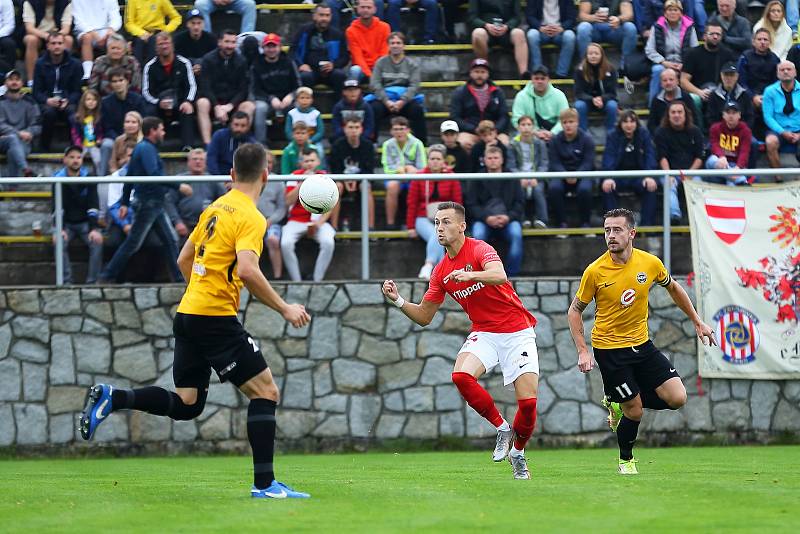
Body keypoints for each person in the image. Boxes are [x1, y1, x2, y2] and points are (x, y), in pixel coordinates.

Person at [81, 142, 312, 499]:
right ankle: (265, 486)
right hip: (213, 318)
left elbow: (184, 259)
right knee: (266, 392)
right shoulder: (251, 216)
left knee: (188, 404)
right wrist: (284, 307)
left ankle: (113, 397)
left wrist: (204, 290)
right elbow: (249, 270)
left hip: (189, 313)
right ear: (266, 175)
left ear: (231, 175)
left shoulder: (214, 208)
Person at [381, 201, 539, 479]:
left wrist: (470, 274)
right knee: (461, 376)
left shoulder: (480, 249)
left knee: (527, 404)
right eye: (436, 223)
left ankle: (518, 452)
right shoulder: (440, 272)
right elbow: (424, 316)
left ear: (462, 226)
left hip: (517, 331)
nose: (440, 228)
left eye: (446, 222)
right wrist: (398, 300)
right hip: (485, 332)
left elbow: (499, 274)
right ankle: (502, 428)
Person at [568, 207, 715, 475]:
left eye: (617, 230)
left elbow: (673, 287)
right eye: (607, 230)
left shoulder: (650, 263)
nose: (611, 236)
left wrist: (697, 320)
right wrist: (583, 351)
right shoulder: (595, 271)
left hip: (642, 345)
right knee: (635, 412)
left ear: (632, 233)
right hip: (610, 350)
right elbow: (575, 310)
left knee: (677, 398)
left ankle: (616, 399)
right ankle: (626, 460)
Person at [98, 117, 184, 283]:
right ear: (153, 131)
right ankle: (107, 275)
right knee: (133, 244)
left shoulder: (141, 148)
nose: (163, 133)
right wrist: (178, 186)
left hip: (153, 203)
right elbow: (154, 174)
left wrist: (124, 202)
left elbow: (129, 177)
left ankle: (179, 278)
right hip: (148, 203)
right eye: (161, 129)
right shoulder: (146, 149)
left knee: (170, 240)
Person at [465, 146, 524, 275]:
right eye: (490, 158)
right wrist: (486, 218)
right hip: (483, 220)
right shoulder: (476, 178)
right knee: (478, 236)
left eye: (496, 158)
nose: (493, 161)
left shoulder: (512, 178)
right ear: (484, 160)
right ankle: (483, 273)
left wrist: (508, 217)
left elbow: (519, 203)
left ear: (502, 160)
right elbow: (471, 204)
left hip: (509, 219)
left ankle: (510, 275)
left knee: (516, 234)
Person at [407, 144, 463, 279]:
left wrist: (459, 223)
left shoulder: (451, 176)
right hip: (423, 217)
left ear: (444, 160)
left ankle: (430, 266)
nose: (435, 162)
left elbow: (457, 202)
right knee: (437, 233)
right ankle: (440, 268)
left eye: (438, 159)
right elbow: (412, 202)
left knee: (440, 232)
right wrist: (410, 227)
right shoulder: (419, 176)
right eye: (432, 158)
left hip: (446, 218)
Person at [281, 149, 337, 282]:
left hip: (318, 220)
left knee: (328, 242)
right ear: (301, 163)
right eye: (306, 161)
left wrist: (320, 222)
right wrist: (302, 184)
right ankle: (297, 281)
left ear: (318, 162)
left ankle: (317, 280)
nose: (309, 164)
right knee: (285, 243)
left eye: (312, 160)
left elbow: (331, 203)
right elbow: (288, 201)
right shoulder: (294, 176)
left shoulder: (324, 177)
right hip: (296, 220)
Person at [196, 29, 254, 145]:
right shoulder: (208, 60)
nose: (230, 46)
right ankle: (208, 144)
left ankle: (241, 142)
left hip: (232, 102)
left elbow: (243, 89)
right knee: (202, 103)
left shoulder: (241, 61)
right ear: (219, 42)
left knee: (249, 106)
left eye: (233, 42)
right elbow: (205, 86)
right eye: (227, 42)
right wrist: (216, 106)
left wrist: (230, 106)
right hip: (213, 101)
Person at [54, 145, 102, 284]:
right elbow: (56, 207)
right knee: (59, 242)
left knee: (97, 242)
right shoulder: (57, 179)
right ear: (65, 160)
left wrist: (94, 228)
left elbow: (93, 205)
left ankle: (92, 283)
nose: (76, 160)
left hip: (85, 223)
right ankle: (66, 282)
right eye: (72, 157)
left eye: (79, 157)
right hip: (67, 223)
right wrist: (59, 228)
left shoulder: (89, 177)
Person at [601, 109, 658, 225]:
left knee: (651, 185)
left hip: (639, 176)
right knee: (607, 186)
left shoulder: (644, 134)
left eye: (632, 121)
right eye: (625, 122)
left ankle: (647, 226)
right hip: (618, 176)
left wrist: (649, 176)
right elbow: (608, 157)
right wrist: (608, 177)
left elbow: (650, 156)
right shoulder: (613, 135)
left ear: (636, 123)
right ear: (620, 124)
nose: (629, 125)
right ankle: (613, 225)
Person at [142, 32, 198, 150]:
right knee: (150, 111)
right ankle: (152, 145)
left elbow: (192, 86)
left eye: (167, 43)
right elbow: (146, 92)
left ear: (172, 45)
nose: (164, 46)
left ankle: (188, 146)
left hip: (180, 102)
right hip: (159, 104)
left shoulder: (184, 63)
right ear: (156, 48)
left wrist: (188, 101)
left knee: (188, 110)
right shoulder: (149, 66)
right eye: (161, 44)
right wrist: (158, 102)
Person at [369, 31, 427, 145]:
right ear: (388, 45)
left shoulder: (412, 64)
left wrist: (402, 101)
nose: (395, 45)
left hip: (404, 100)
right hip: (385, 99)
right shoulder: (380, 63)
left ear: (403, 45)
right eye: (392, 43)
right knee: (373, 108)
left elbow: (414, 86)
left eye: (398, 43)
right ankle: (372, 142)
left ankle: (422, 143)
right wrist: (386, 101)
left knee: (417, 110)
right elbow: (375, 84)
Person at [654, 100, 704, 221]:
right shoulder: (661, 132)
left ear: (685, 115)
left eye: (680, 112)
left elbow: (699, 157)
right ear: (668, 115)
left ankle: (700, 219)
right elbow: (662, 157)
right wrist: (669, 175)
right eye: (673, 112)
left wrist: (690, 173)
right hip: (669, 171)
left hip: (691, 171)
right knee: (669, 185)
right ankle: (675, 217)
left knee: (698, 185)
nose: (676, 115)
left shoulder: (695, 131)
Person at [33, 31, 82, 151]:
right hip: (48, 101)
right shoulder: (40, 64)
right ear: (48, 46)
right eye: (53, 43)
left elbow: (77, 91)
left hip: (67, 101)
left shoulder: (75, 64)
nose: (57, 46)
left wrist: (68, 100)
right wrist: (47, 100)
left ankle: (75, 148)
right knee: (49, 113)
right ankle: (44, 148)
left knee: (72, 115)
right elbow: (36, 91)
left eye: (60, 43)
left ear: (65, 45)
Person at [548, 107, 595, 229]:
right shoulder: (555, 140)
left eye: (571, 122)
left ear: (577, 122)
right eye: (565, 122)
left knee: (585, 189)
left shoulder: (587, 139)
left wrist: (577, 174)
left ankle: (585, 223)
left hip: (583, 175)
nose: (568, 125)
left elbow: (588, 162)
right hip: (561, 175)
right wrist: (565, 174)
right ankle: (561, 223)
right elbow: (554, 162)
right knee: (554, 188)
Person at [643, 0, 698, 106]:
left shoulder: (690, 27)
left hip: (683, 64)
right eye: (669, 10)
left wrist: (685, 64)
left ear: (681, 13)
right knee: (657, 70)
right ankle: (653, 106)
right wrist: (664, 62)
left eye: (675, 10)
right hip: (664, 63)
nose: (672, 13)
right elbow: (649, 50)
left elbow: (694, 50)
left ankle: (686, 107)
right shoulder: (657, 27)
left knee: (690, 73)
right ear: (665, 13)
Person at [449, 58, 510, 152]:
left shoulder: (498, 92)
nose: (479, 75)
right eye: (476, 71)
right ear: (470, 73)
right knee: (462, 142)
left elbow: (504, 116)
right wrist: (473, 129)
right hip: (471, 132)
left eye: (483, 72)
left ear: (488, 74)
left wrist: (495, 130)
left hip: (494, 132)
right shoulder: (460, 92)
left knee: (504, 142)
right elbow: (455, 117)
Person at [291, 2, 352, 96]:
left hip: (330, 71)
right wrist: (301, 65)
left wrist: (334, 65)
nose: (324, 18)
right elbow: (292, 52)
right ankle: (306, 108)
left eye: (327, 15)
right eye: (321, 15)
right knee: (304, 77)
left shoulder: (337, 34)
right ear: (314, 16)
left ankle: (338, 108)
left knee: (340, 75)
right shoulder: (304, 31)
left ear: (331, 16)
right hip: (310, 70)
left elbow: (345, 57)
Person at [252, 33, 301, 145]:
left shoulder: (289, 62)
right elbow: (255, 90)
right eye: (268, 46)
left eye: (274, 46)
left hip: (288, 99)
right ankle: (260, 143)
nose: (271, 49)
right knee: (260, 108)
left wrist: (291, 96)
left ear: (280, 47)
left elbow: (298, 84)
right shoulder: (256, 65)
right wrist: (271, 98)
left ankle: (297, 142)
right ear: (263, 48)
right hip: (266, 100)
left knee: (300, 106)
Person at [328, 117, 376, 231]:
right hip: (341, 179)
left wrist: (356, 180)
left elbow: (369, 170)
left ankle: (370, 227)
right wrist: (345, 181)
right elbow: (334, 169)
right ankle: (333, 227)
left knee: (366, 186)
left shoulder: (368, 146)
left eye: (356, 127)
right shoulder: (337, 145)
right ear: (344, 129)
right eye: (350, 127)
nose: (353, 130)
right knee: (337, 187)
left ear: (361, 129)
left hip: (361, 180)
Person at [167, 148, 226, 240]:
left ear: (205, 162)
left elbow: (224, 202)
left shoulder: (214, 180)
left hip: (208, 225)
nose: (198, 162)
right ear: (188, 162)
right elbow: (169, 203)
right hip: (185, 225)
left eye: (201, 159)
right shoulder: (179, 180)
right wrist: (177, 222)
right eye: (194, 159)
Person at [99, 69, 148, 176]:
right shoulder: (106, 102)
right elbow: (107, 127)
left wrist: (131, 137)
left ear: (127, 81)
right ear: (110, 84)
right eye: (114, 81)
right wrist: (120, 140)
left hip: (136, 136)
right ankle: (101, 178)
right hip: (114, 138)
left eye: (121, 80)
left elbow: (143, 122)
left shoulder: (138, 100)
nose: (118, 84)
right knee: (106, 145)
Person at [680, 23, 736, 115]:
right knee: (694, 100)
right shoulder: (692, 54)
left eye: (718, 34)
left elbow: (732, 79)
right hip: (697, 92)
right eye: (712, 34)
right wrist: (699, 92)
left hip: (720, 93)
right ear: (704, 36)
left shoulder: (727, 54)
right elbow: (683, 81)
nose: (715, 37)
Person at [381, 115, 426, 229]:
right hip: (395, 176)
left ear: (408, 130)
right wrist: (398, 171)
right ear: (391, 131)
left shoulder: (417, 143)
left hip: (413, 176)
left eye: (402, 129)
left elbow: (422, 168)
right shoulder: (387, 145)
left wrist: (410, 170)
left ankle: (412, 223)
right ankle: (390, 224)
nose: (399, 132)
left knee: (416, 186)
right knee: (392, 185)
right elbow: (387, 168)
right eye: (396, 129)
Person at [506, 115, 549, 229]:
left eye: (529, 125)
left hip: (536, 176)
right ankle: (523, 220)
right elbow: (511, 165)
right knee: (520, 191)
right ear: (518, 127)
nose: (526, 128)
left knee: (538, 190)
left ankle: (542, 220)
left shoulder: (540, 143)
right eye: (523, 125)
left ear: (533, 127)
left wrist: (537, 177)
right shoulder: (512, 145)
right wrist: (520, 178)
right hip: (520, 177)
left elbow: (544, 163)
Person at [469, 0, 528, 78]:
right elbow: (472, 18)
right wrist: (485, 25)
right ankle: (484, 70)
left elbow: (517, 17)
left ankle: (524, 74)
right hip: (486, 30)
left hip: (507, 31)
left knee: (519, 33)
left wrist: (507, 26)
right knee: (477, 33)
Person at [22, 0, 73, 88]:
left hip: (57, 34)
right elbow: (29, 28)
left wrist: (56, 36)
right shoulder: (30, 3)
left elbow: (66, 28)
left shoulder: (65, 3)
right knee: (31, 40)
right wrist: (47, 36)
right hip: (37, 34)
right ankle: (32, 81)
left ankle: (64, 78)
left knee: (68, 40)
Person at [511, 66, 569, 142]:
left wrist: (552, 133)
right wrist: (535, 133)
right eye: (536, 78)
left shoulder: (559, 95)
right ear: (531, 79)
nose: (539, 81)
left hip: (555, 135)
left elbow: (565, 118)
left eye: (542, 78)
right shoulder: (521, 96)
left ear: (548, 79)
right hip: (529, 133)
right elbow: (516, 120)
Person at [738, 28, 781, 130]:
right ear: (753, 42)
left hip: (770, 96)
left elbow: (777, 82)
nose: (762, 42)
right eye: (759, 39)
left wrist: (767, 97)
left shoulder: (775, 59)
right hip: (748, 96)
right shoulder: (745, 57)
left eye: (765, 40)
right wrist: (753, 97)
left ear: (770, 42)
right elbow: (741, 82)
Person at [575, 0, 638, 70]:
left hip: (615, 30)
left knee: (630, 27)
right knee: (583, 27)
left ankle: (626, 66)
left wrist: (619, 19)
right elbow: (582, 15)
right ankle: (586, 65)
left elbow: (629, 14)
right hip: (594, 30)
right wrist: (593, 17)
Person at [0, 69, 39, 178]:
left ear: (22, 83)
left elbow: (37, 125)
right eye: (11, 79)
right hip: (3, 140)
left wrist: (28, 133)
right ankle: (26, 169)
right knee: (13, 138)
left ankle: (12, 190)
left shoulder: (30, 102)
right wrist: (18, 133)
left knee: (13, 152)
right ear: (5, 83)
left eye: (17, 79)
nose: (14, 82)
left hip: (24, 141)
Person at [71, 0, 123, 81]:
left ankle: (113, 71)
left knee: (114, 38)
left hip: (105, 30)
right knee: (87, 38)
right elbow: (78, 21)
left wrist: (110, 30)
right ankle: (87, 74)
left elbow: (116, 17)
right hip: (84, 31)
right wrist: (95, 35)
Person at [574, 42, 618, 133]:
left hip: (604, 101)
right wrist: (592, 99)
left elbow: (613, 93)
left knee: (612, 106)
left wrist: (601, 98)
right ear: (586, 55)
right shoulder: (579, 70)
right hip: (587, 101)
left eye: (596, 53)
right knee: (579, 105)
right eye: (590, 54)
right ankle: (583, 133)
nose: (593, 56)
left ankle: (611, 132)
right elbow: (578, 92)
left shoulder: (611, 69)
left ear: (602, 55)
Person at [525, 0, 577, 78]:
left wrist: (562, 28)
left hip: (560, 31)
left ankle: (561, 74)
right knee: (532, 35)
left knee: (570, 36)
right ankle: (538, 71)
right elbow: (529, 16)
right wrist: (540, 27)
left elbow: (572, 18)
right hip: (541, 30)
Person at [764, 61, 800, 171]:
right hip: (778, 130)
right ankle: (778, 178)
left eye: (789, 69)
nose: (785, 72)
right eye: (782, 70)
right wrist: (783, 132)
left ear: (795, 73)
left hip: (798, 129)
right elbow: (768, 117)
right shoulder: (769, 91)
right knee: (770, 142)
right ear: (777, 74)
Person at [706, 102, 752, 185]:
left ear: (739, 115)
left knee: (731, 184)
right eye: (728, 113)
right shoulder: (715, 128)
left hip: (735, 164)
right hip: (719, 161)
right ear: (723, 115)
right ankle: (741, 180)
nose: (731, 116)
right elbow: (714, 145)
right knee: (712, 159)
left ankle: (736, 179)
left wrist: (738, 168)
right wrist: (722, 157)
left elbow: (744, 152)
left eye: (734, 113)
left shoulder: (745, 131)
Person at [257, 151, 286, 280]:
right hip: (251, 221)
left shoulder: (278, 181)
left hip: (271, 221)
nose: (266, 165)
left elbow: (282, 208)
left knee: (273, 240)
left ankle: (278, 277)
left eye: (269, 162)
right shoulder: (249, 179)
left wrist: (269, 221)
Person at [124, 0, 182, 64]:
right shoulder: (132, 1)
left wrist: (165, 31)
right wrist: (142, 33)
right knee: (139, 45)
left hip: (158, 33)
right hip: (140, 34)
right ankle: (139, 70)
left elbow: (176, 18)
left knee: (154, 41)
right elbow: (129, 23)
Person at [346, 0, 390, 81]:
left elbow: (384, 53)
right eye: (362, 7)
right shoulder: (351, 30)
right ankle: (353, 93)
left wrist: (376, 72)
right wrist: (370, 76)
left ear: (375, 9)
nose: (365, 10)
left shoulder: (385, 27)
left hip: (379, 67)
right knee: (355, 70)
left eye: (369, 7)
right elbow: (357, 57)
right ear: (357, 9)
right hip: (361, 68)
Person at [647, 67, 699, 133]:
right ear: (661, 84)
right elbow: (651, 124)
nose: (668, 82)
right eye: (665, 80)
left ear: (677, 81)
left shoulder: (686, 97)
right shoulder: (656, 100)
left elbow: (694, 120)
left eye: (671, 80)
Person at [706, 62, 755, 130]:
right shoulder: (714, 95)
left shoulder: (744, 94)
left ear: (737, 76)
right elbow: (711, 118)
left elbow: (750, 117)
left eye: (732, 75)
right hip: (720, 133)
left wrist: (741, 130)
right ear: (721, 75)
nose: (728, 78)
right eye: (726, 75)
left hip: (741, 132)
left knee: (754, 141)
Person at [207, 111, 256, 176]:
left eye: (243, 126)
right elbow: (211, 159)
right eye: (236, 125)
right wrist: (219, 180)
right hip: (219, 178)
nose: (239, 129)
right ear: (230, 124)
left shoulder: (251, 143)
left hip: (241, 180)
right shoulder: (219, 135)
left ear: (248, 127)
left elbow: (253, 166)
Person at [70, 89, 103, 174]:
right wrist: (78, 144)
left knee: (98, 160)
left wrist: (99, 139)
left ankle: (100, 178)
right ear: (83, 101)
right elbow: (75, 133)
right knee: (76, 159)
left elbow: (101, 131)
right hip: (82, 145)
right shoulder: (77, 118)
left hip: (94, 145)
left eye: (94, 100)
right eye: (88, 99)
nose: (91, 102)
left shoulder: (100, 117)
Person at [174, 8, 217, 73]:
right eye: (193, 23)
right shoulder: (179, 39)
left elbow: (215, 57)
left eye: (199, 23)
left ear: (203, 24)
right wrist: (191, 65)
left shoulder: (211, 38)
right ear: (187, 24)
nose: (196, 27)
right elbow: (177, 57)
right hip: (185, 71)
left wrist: (201, 65)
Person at [634, 0, 707, 38]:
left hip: (681, 28)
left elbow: (688, 17)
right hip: (659, 29)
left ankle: (703, 33)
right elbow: (648, 18)